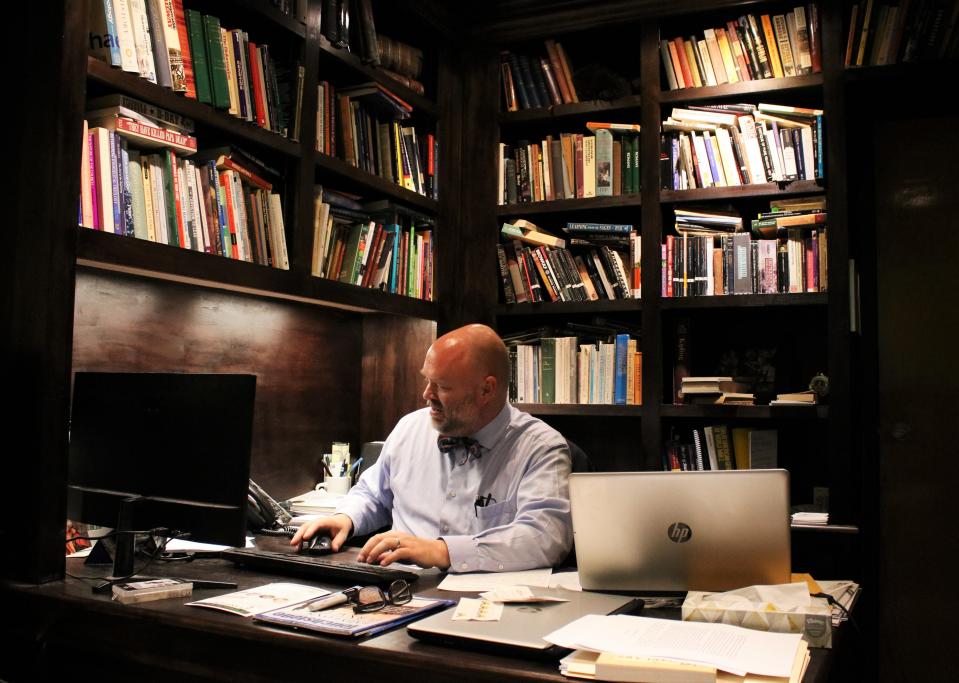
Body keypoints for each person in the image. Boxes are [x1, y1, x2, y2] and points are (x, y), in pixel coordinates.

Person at [291, 324, 573, 572]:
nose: (427, 394)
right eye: (427, 380)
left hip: (485, 606)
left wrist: (443, 551)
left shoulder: (541, 449)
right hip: (396, 588)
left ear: (486, 390)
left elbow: (545, 537)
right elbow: (373, 495)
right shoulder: (410, 428)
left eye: (442, 386)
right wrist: (345, 519)